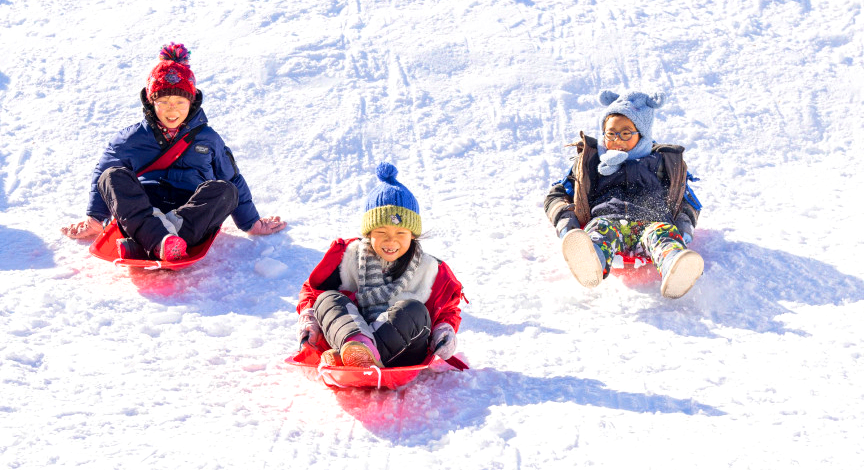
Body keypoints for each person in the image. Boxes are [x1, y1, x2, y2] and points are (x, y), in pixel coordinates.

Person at [61, 43, 285, 260]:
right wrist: (95, 218)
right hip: (144, 208)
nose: (172, 109)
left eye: (180, 101)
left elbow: (232, 177)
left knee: (226, 190)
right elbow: (104, 174)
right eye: (164, 101)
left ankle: (148, 242)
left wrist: (251, 222)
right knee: (111, 176)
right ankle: (162, 240)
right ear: (151, 102)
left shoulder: (208, 138)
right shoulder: (131, 138)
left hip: (190, 212)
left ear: (192, 102)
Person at [295, 162, 464, 368]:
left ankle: (353, 360)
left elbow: (447, 309)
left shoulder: (430, 269)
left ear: (412, 235)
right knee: (326, 298)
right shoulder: (349, 257)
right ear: (369, 233)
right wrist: (309, 316)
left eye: (401, 233)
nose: (391, 241)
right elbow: (312, 293)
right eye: (381, 233)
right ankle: (357, 352)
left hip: (404, 351)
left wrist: (444, 330)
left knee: (413, 309)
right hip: (348, 336)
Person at [544, 90, 704, 299]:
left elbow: (687, 199)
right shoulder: (593, 162)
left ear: (643, 133)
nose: (617, 139)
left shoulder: (662, 163)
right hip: (607, 218)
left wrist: (684, 226)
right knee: (600, 232)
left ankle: (675, 265)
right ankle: (591, 263)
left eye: (626, 133)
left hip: (652, 221)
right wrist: (566, 222)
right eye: (611, 133)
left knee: (662, 236)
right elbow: (557, 194)